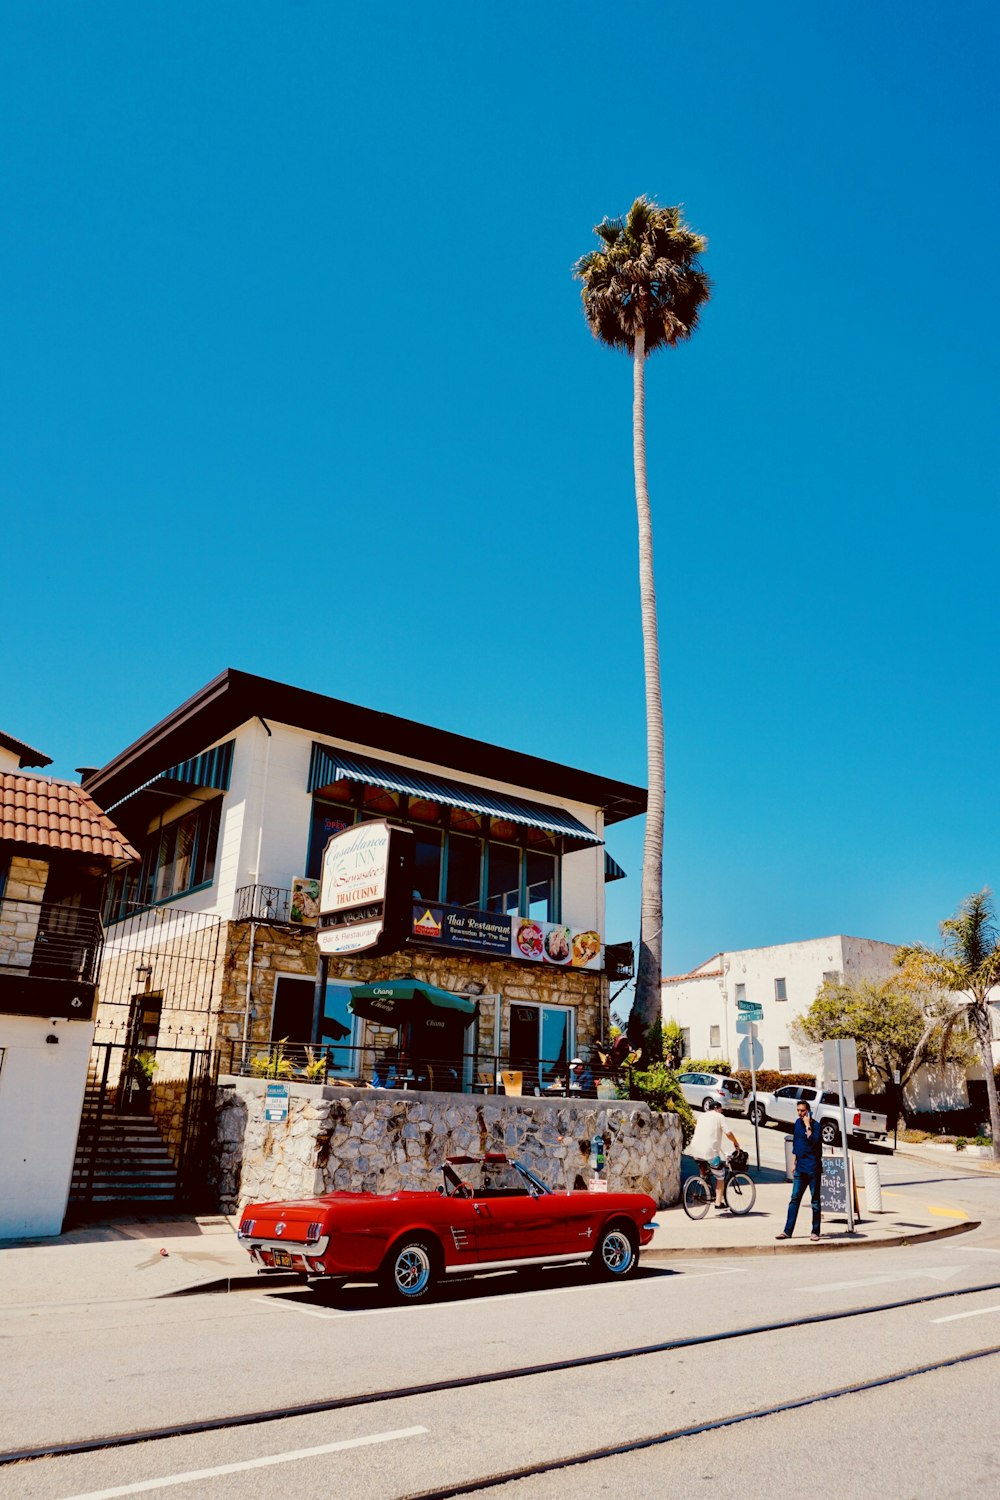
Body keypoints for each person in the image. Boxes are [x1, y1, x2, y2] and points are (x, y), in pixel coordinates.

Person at [777, 1099, 822, 1241]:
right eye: (798, 1110)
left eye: (802, 1110)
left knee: (815, 1200)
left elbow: (814, 1143)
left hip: (813, 1168)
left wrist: (808, 1126)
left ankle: (815, 1231)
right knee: (794, 1199)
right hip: (800, 1168)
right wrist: (794, 1162)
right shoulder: (797, 1124)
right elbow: (796, 1143)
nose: (800, 1113)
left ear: (808, 1111)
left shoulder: (817, 1126)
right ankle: (787, 1231)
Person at [689, 1098, 740, 1209]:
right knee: (720, 1176)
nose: (722, 1112)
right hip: (710, 1152)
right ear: (717, 1108)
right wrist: (736, 1143)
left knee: (703, 1163)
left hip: (695, 1150)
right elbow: (728, 1133)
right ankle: (718, 1202)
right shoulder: (719, 1117)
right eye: (721, 1109)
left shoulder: (701, 1116)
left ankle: (702, 1179)